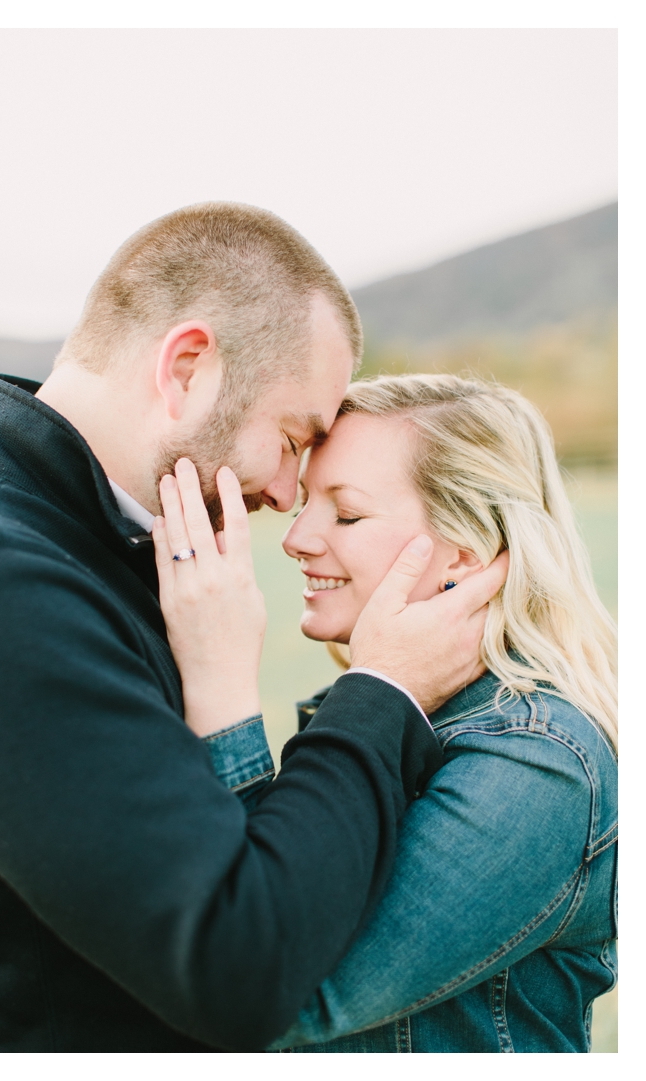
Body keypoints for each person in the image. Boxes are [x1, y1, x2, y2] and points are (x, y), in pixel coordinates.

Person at [0, 202, 509, 1051]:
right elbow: (239, 970)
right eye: (290, 438)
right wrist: (380, 691)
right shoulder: (2, 587)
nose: (285, 495)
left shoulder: (107, 559)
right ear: (189, 368)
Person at [191, 374, 613, 1052]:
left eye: (346, 513)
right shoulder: (383, 717)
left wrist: (220, 687)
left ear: (463, 556)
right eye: (304, 504)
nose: (296, 536)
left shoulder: (538, 765)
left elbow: (270, 991)